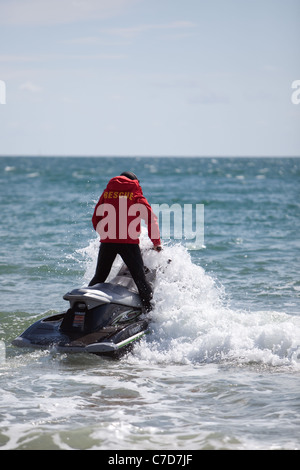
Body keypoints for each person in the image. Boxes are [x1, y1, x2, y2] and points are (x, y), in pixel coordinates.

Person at [89, 171, 162, 312]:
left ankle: (84, 306)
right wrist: (156, 242)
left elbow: (96, 217)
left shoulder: (107, 193)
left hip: (107, 241)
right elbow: (150, 220)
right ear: (135, 181)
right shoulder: (135, 194)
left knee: (99, 276)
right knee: (140, 279)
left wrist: (104, 234)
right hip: (128, 243)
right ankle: (149, 314)